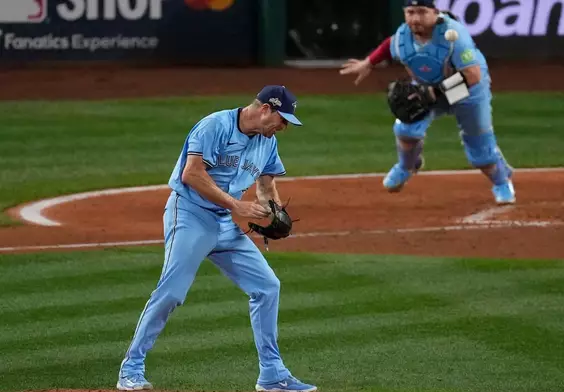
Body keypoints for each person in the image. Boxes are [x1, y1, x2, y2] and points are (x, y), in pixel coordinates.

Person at [116, 85, 318, 392]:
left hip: (224, 224)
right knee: (171, 292)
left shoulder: (268, 142)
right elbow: (192, 174)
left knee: (267, 287)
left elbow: (266, 184)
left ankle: (272, 374)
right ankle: (131, 368)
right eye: (282, 119)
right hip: (190, 214)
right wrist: (238, 205)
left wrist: (272, 210)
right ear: (266, 109)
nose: (284, 127)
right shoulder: (216, 126)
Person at [339, 0, 516, 204]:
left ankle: (502, 182)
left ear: (434, 12)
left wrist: (434, 92)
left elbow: (473, 75)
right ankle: (408, 166)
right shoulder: (403, 37)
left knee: (479, 148)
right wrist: (368, 62)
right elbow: (391, 45)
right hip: (429, 87)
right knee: (406, 130)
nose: (415, 18)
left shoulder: (454, 35)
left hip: (468, 89)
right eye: (410, 12)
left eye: (421, 12)